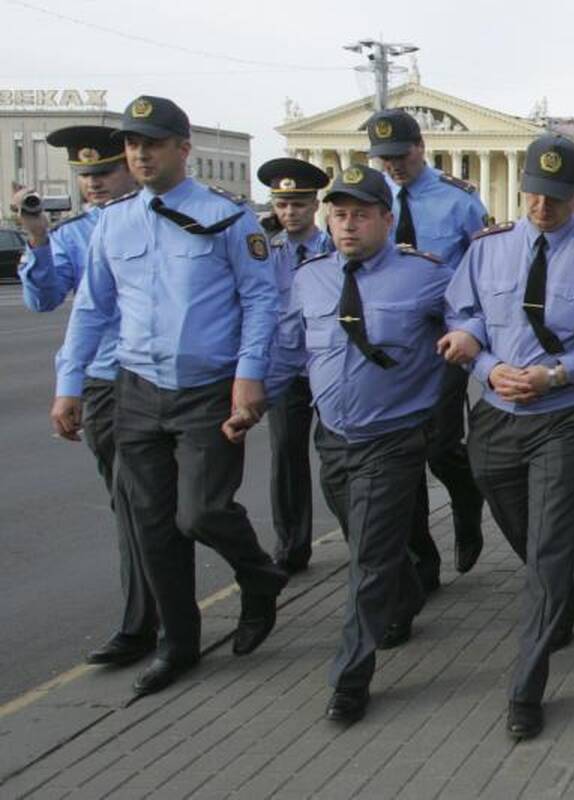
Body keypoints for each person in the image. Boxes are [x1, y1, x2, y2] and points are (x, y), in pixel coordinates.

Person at [52, 96, 287, 696]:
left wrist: (249, 375)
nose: (140, 153)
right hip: (136, 387)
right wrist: (69, 382)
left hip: (208, 389)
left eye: (152, 143)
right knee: (153, 525)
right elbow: (93, 307)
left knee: (202, 512)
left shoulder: (229, 219)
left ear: (183, 149)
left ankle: (259, 576)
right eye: (133, 144)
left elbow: (261, 300)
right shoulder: (114, 220)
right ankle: (178, 645)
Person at [440, 134, 574, 740]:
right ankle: (564, 598)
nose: (542, 207)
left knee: (550, 547)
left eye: (556, 197)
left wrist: (557, 373)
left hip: (564, 413)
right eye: (534, 194)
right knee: (507, 504)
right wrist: (479, 360)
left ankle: (527, 685)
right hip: (497, 410)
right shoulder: (487, 249)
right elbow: (462, 314)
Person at [250, 165, 450, 723]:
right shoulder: (310, 277)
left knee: (366, 557)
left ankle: (350, 677)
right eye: (339, 214)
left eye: (361, 214)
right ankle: (406, 595)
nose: (348, 224)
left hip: (393, 436)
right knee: (372, 542)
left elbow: (470, 325)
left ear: (387, 219)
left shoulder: (426, 275)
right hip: (333, 436)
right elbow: (291, 350)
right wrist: (252, 401)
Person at [17, 125, 157, 666]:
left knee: (187, 508)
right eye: (85, 176)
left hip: (163, 378)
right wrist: (36, 238)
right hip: (106, 381)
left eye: (103, 172)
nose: (94, 184)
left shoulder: (161, 216)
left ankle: (248, 576)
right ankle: (142, 623)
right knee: (130, 502)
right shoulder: (74, 234)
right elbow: (46, 298)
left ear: (128, 165)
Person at [366, 108, 489, 589]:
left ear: (420, 146)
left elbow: (483, 266)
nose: (393, 166)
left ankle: (465, 498)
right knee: (401, 455)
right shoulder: (376, 198)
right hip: (390, 341)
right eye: (384, 159)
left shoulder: (458, 201)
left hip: (444, 336)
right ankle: (422, 561)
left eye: (399, 155)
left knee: (439, 444)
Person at [256, 157, 333, 574]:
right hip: (285, 367)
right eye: (282, 205)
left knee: (336, 455)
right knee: (286, 457)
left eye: (299, 204)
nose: (290, 213)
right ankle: (291, 546)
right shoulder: (265, 252)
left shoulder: (334, 249)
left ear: (314, 205)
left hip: (326, 364)